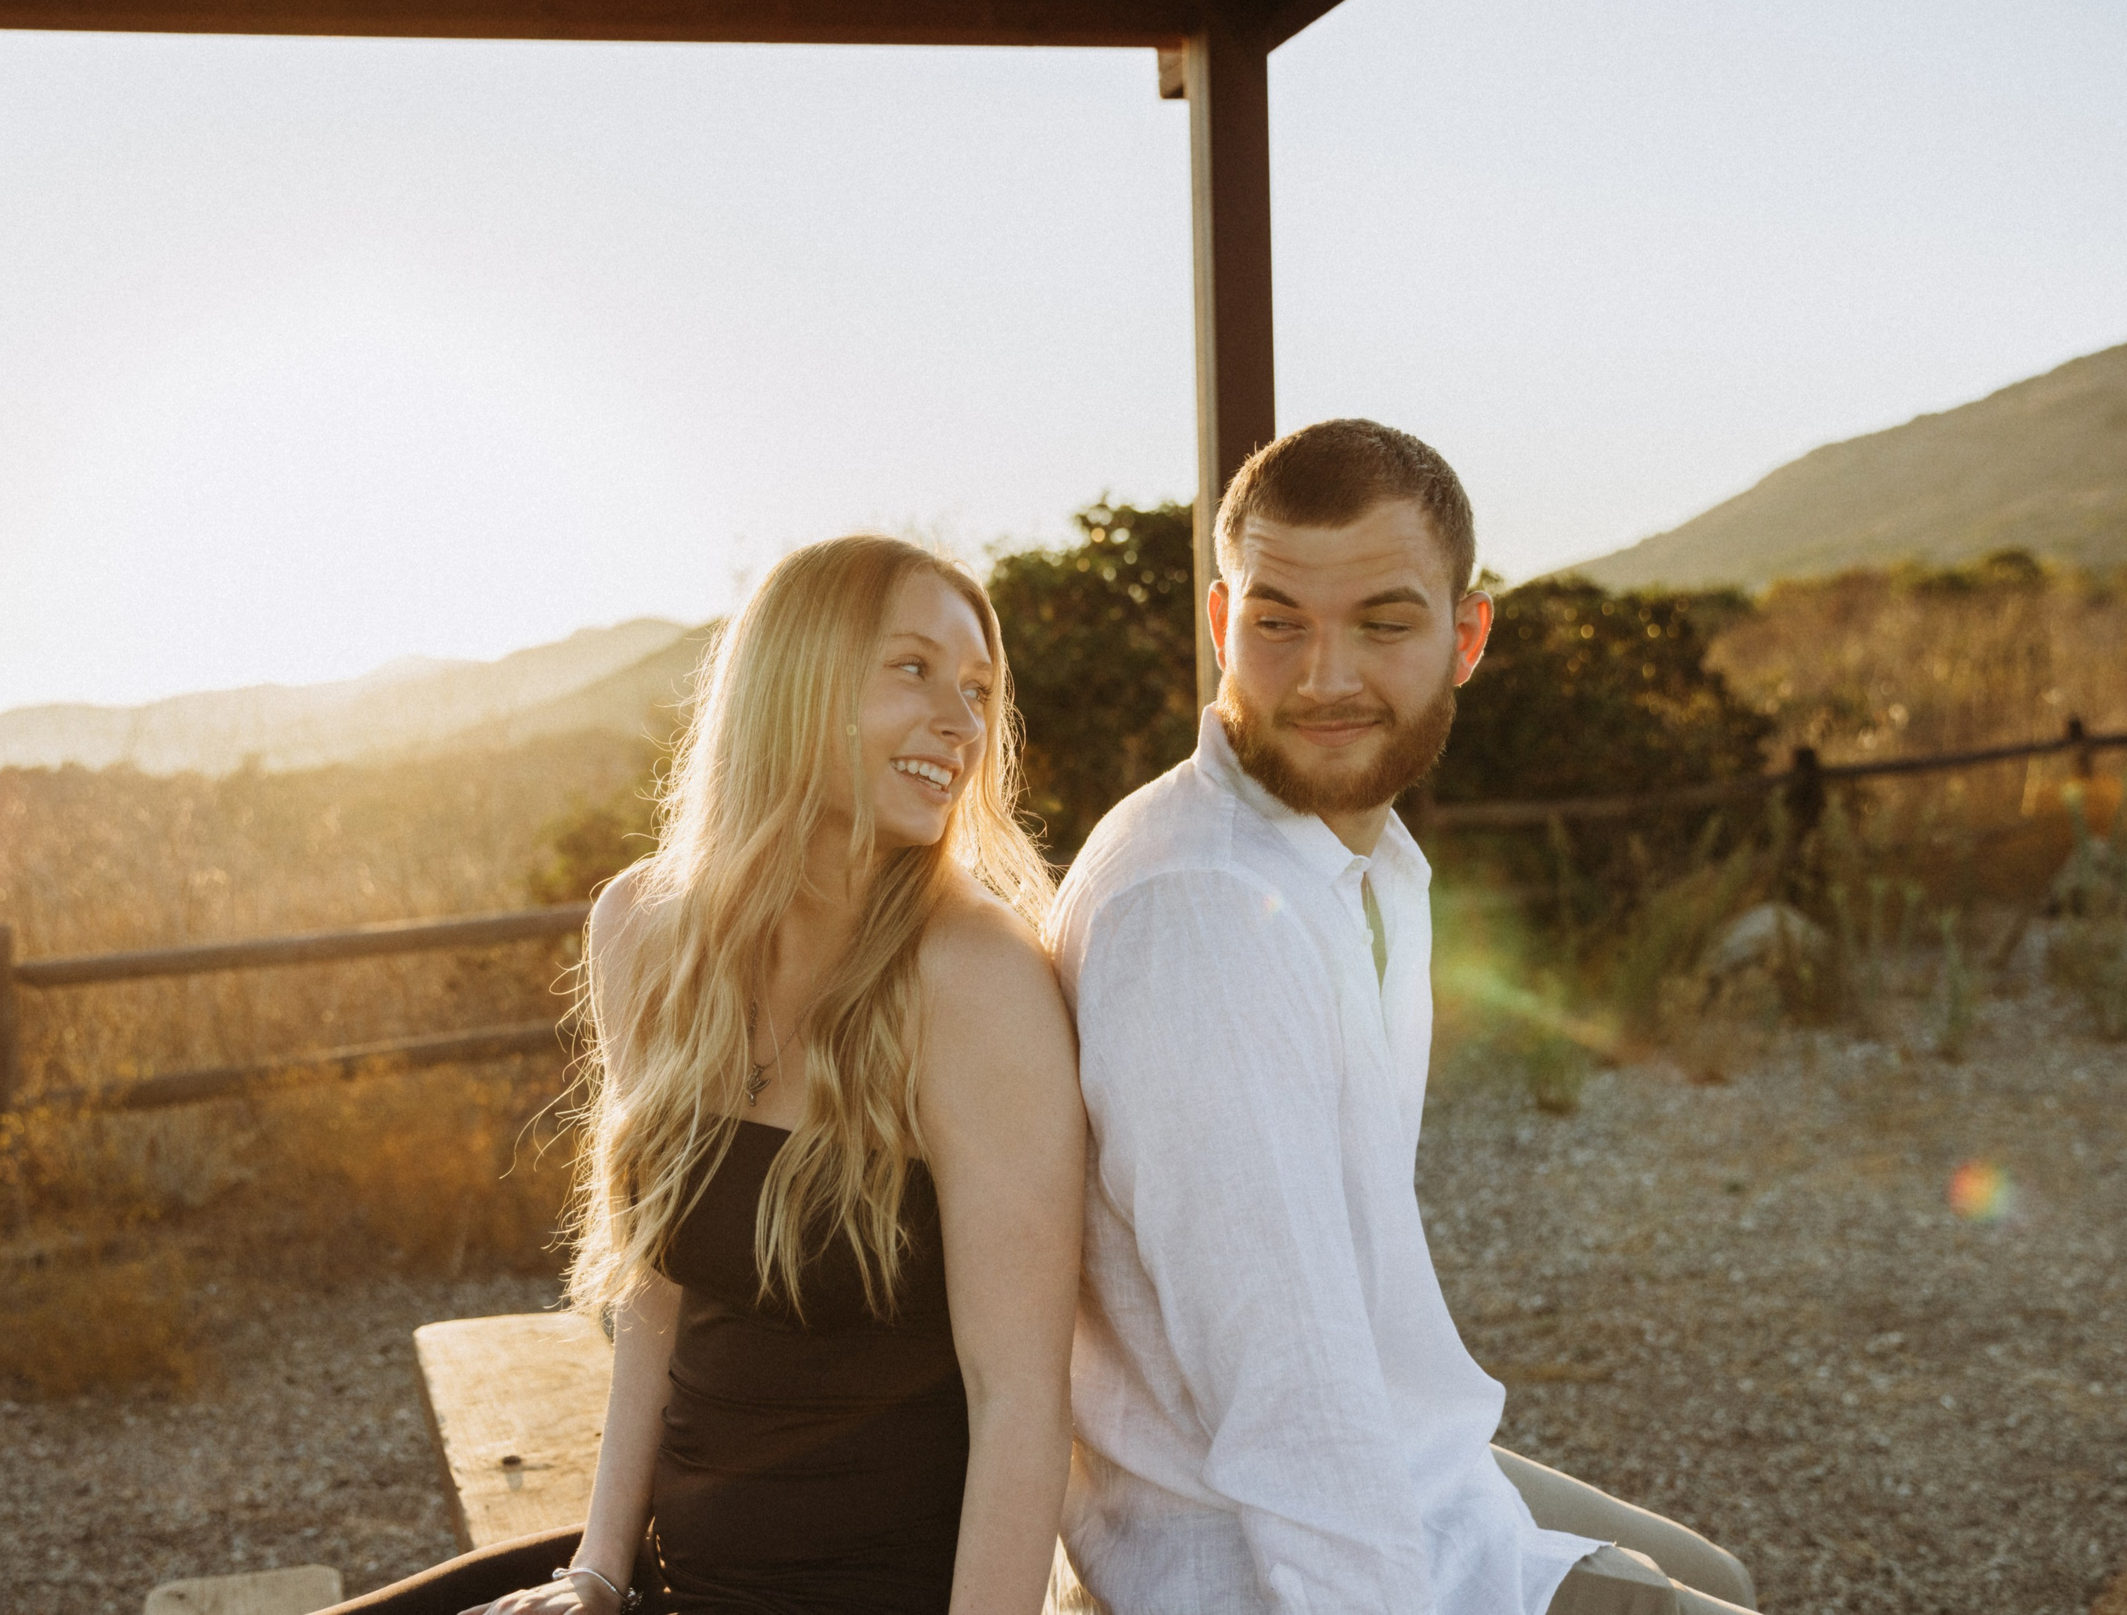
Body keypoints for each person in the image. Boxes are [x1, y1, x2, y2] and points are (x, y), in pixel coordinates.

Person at [1048, 420, 1762, 1615]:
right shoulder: (1208, 913)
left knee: (1713, 1572)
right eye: (1279, 623)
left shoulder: (1363, 863)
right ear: (1224, 627)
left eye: (1382, 622)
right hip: (1235, 1546)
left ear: (1465, 635)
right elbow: (1284, 1395)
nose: (1326, 676)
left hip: (1407, 1460)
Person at [336, 535, 1082, 1615]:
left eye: (977, 689)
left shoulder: (973, 977)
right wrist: (593, 1568)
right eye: (912, 669)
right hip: (661, 1577)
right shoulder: (642, 930)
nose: (962, 723)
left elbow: (1019, 1396)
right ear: (795, 681)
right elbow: (655, 1292)